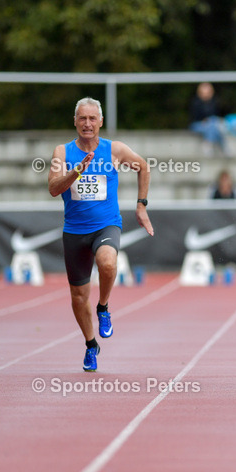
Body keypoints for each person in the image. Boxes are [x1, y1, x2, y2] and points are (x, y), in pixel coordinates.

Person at [49, 97, 154, 372]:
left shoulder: (114, 150)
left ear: (101, 122)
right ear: (75, 121)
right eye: (82, 118)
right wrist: (75, 172)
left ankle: (104, 307)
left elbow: (143, 166)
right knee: (78, 296)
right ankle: (90, 344)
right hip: (74, 231)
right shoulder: (62, 152)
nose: (87, 124)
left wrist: (141, 205)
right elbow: (53, 187)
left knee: (108, 263)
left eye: (92, 119)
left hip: (106, 225)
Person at [189, 82, 228, 156]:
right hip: (197, 125)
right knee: (214, 126)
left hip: (211, 125)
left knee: (213, 124)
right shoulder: (195, 103)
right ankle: (223, 148)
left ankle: (208, 144)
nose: (206, 94)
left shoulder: (215, 102)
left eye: (208, 92)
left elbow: (218, 115)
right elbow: (194, 118)